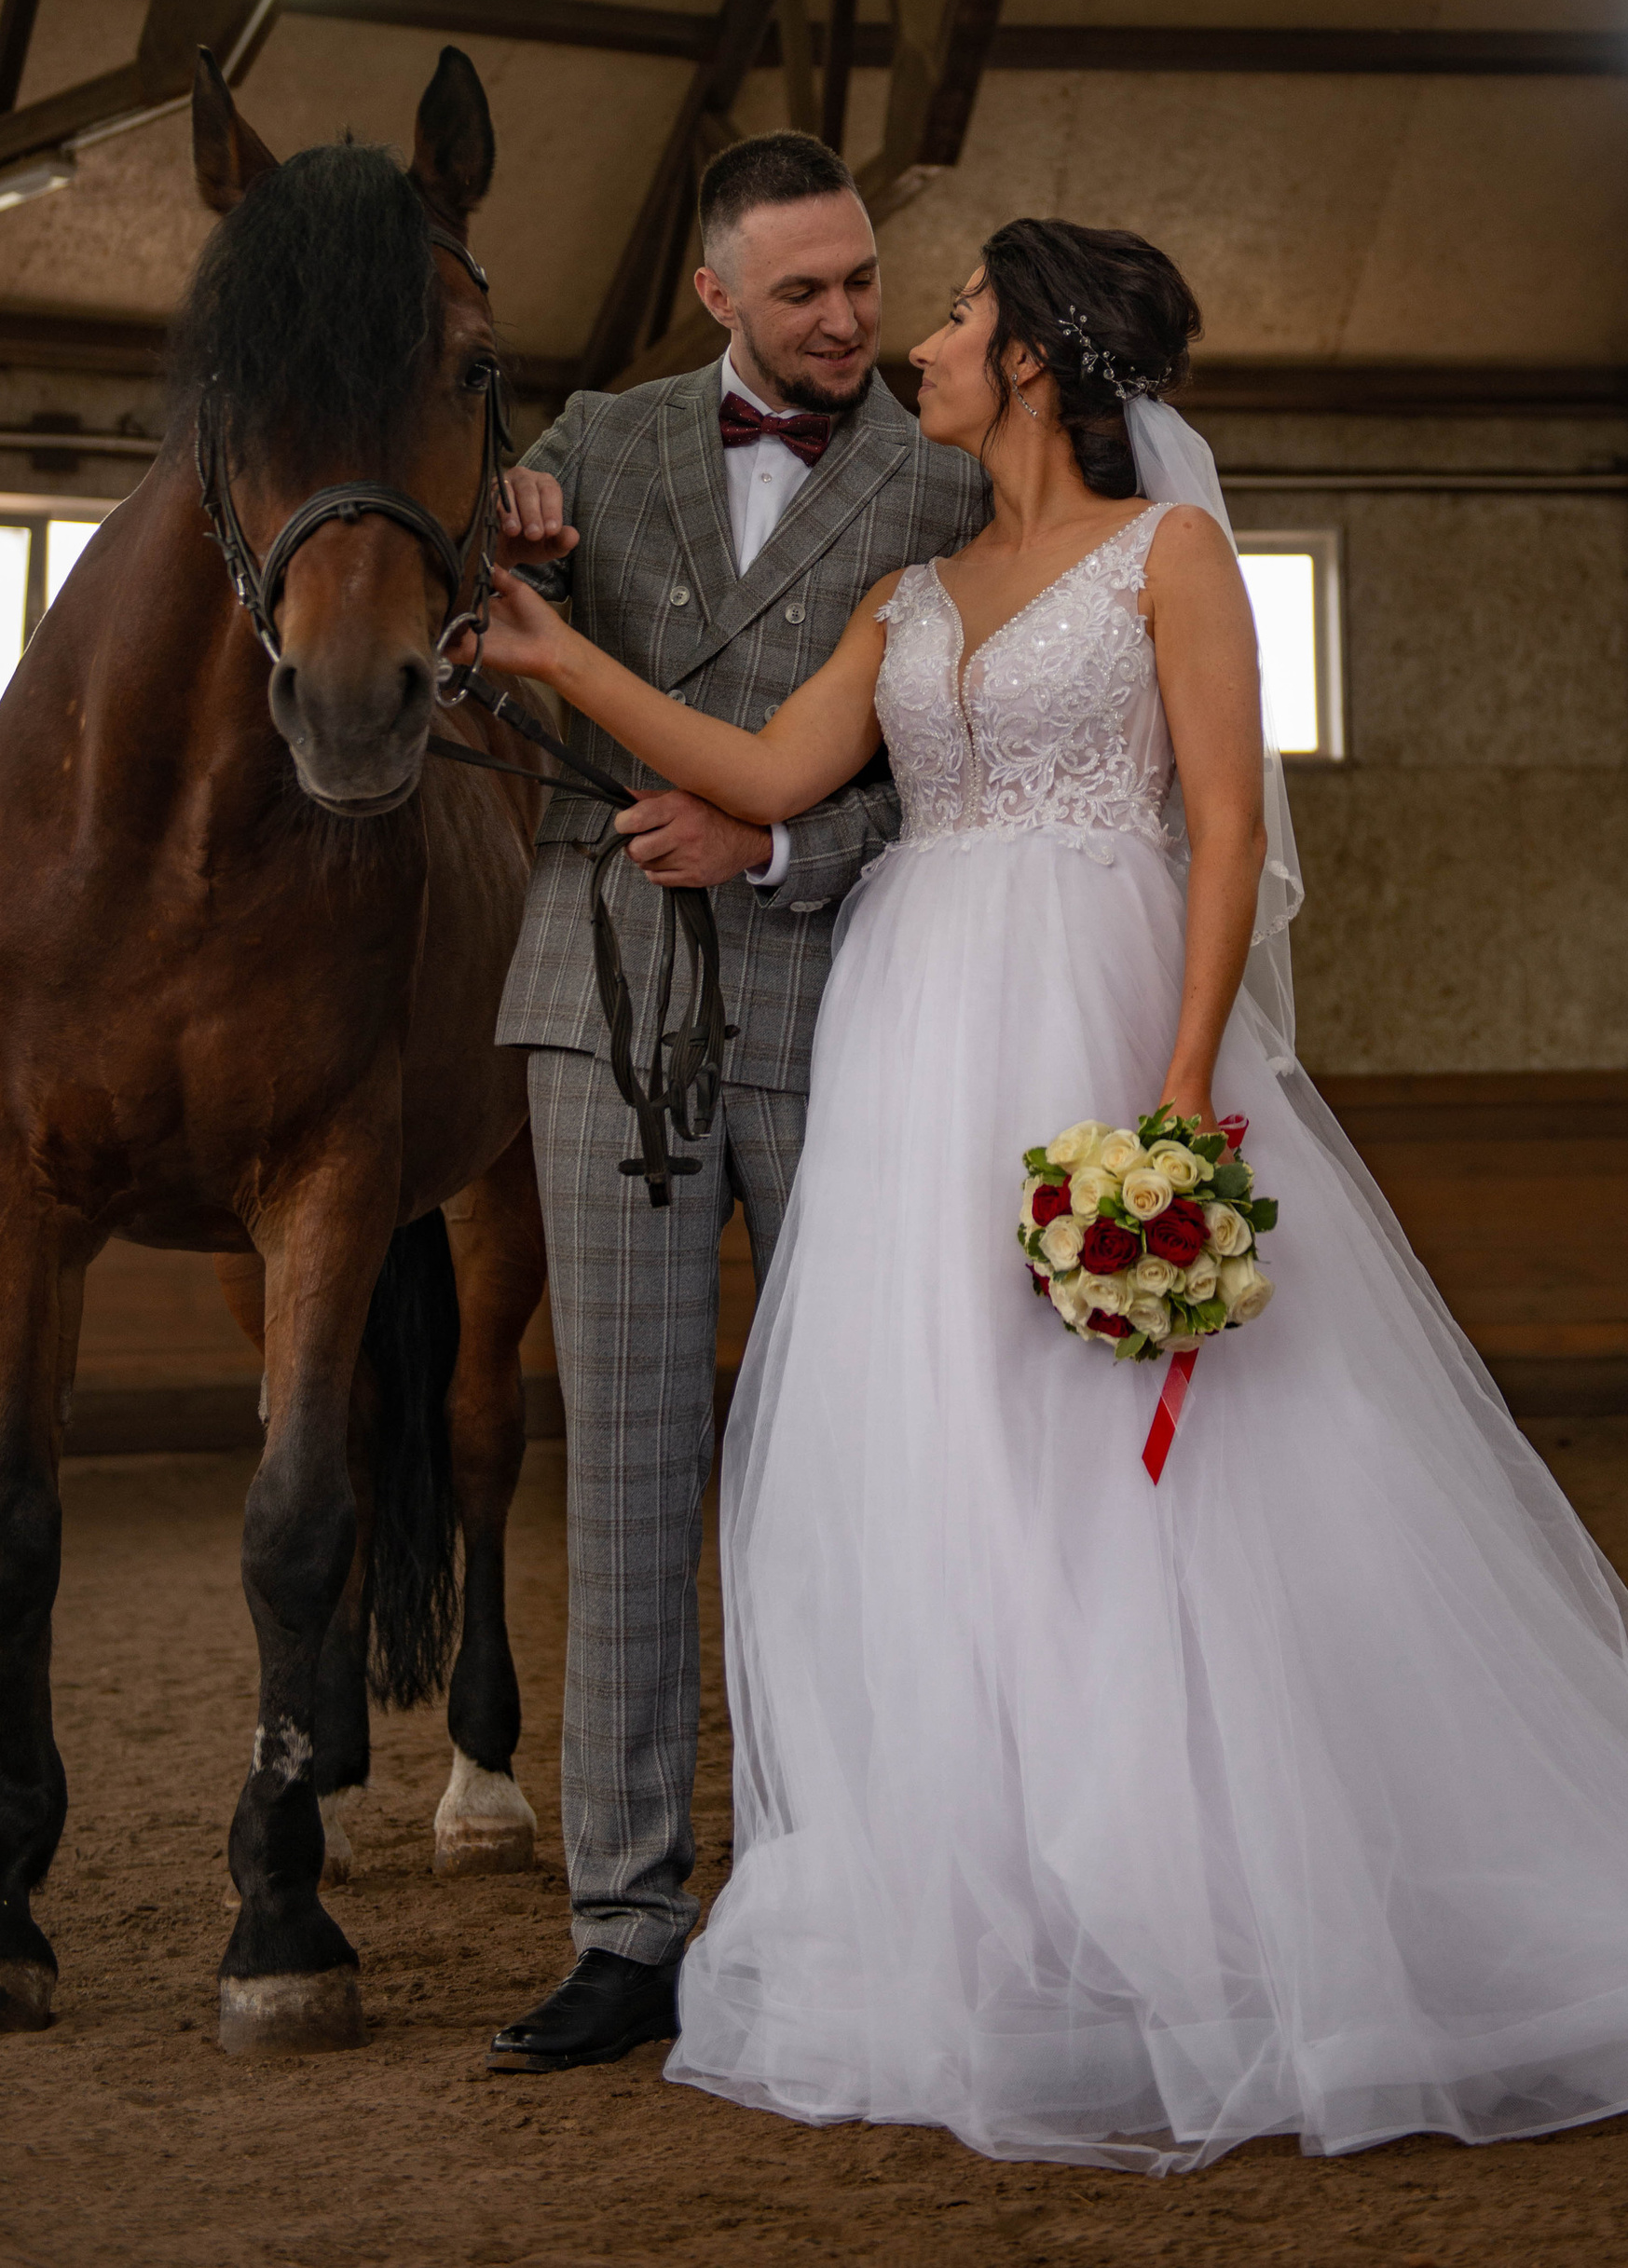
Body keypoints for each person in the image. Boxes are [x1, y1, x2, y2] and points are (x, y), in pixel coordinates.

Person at [472, 215, 1628, 2167]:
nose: (914, 334)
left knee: (1142, 1477)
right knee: (946, 1458)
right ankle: (998, 1896)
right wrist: (557, 650)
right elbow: (760, 776)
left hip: (1092, 1030)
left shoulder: (1171, 560)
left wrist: (1176, 1089)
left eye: (948, 310)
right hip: (912, 1043)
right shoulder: (911, 590)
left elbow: (1227, 824)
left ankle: (1196, 1890)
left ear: (1025, 361)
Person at [482, 134, 986, 2076]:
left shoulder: (947, 475)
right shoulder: (586, 448)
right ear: (714, 295)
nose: (848, 317)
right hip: (595, 1000)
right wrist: (487, 529)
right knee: (621, 1473)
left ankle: (836, 1884)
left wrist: (771, 845)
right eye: (802, 292)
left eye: (865, 278)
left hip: (845, 999)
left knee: (845, 1474)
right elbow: (455, 660)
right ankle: (626, 1924)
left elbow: (960, 760)